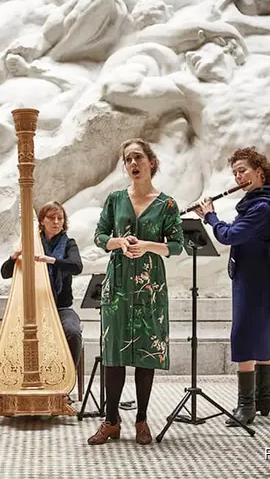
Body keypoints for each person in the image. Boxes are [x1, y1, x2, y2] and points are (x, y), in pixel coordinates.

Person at [89, 138, 184, 446]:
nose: (133, 163)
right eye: (128, 159)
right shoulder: (115, 199)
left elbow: (176, 245)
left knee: (145, 354)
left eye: (138, 157)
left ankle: (142, 420)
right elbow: (100, 236)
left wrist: (147, 246)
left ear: (151, 162)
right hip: (117, 285)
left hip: (149, 287)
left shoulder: (167, 204)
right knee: (113, 354)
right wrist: (119, 242)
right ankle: (111, 421)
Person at [193, 147, 270, 426]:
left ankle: (246, 407)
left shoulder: (260, 207)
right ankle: (263, 399)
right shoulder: (259, 203)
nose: (238, 176)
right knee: (260, 335)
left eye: (242, 170)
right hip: (257, 275)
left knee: (244, 336)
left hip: (254, 279)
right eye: (234, 172)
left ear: (259, 173)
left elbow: (230, 235)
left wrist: (210, 216)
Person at [0, 201, 83, 368]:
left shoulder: (68, 244)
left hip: (61, 308)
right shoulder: (31, 244)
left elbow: (77, 266)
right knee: (12, 335)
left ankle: (67, 378)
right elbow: (5, 273)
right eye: (52, 218)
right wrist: (15, 255)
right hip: (33, 308)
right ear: (42, 221)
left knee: (73, 333)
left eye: (60, 218)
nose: (56, 222)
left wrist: (51, 260)